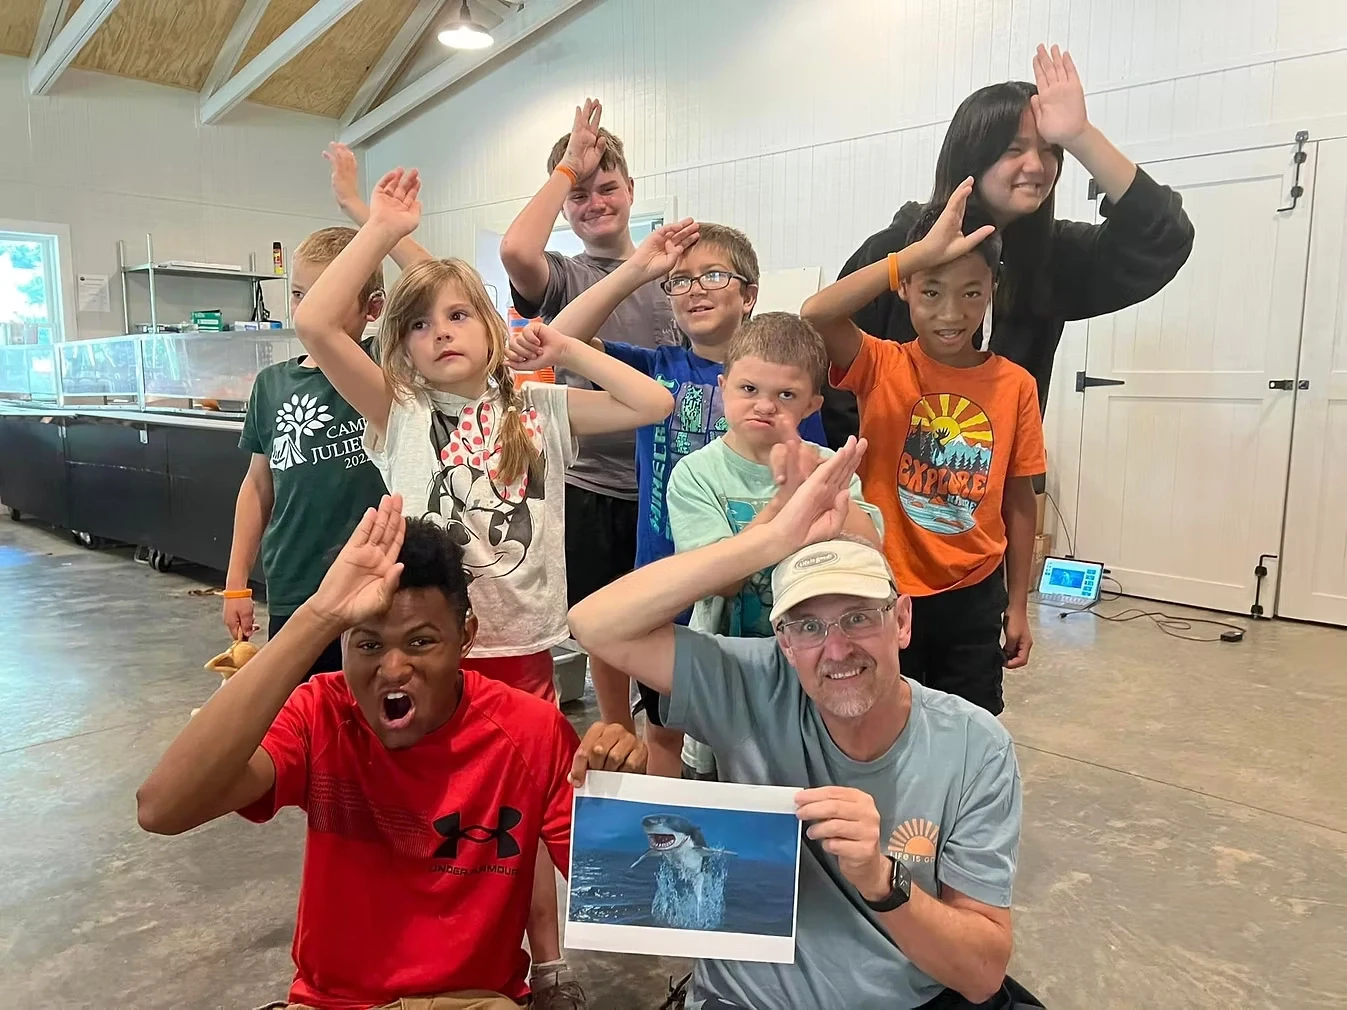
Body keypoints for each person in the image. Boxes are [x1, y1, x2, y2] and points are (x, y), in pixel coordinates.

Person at [292, 167, 673, 1009]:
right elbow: (317, 320)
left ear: (493, 332)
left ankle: (545, 965)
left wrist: (566, 350)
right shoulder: (392, 406)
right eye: (420, 324)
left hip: (518, 649)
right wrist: (381, 228)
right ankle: (438, 952)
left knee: (527, 821)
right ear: (401, 346)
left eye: (459, 314)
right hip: (420, 655)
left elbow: (651, 403)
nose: (441, 333)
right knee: (438, 818)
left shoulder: (536, 412)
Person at [138, 495, 648, 1010]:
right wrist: (316, 615)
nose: (393, 667)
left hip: (473, 1001)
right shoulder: (320, 715)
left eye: (422, 642)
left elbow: (640, 899)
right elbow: (162, 808)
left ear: (465, 638)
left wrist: (621, 792)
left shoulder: (530, 732)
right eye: (367, 645)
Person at [568, 441, 1026, 1010]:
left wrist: (884, 881)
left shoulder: (973, 746)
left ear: (901, 621)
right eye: (808, 627)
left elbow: (982, 974)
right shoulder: (753, 683)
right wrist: (770, 540)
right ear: (783, 643)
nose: (835, 649)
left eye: (858, 617)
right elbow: (593, 623)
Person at [511, 221, 826, 775]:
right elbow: (561, 337)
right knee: (663, 734)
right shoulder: (658, 367)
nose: (695, 289)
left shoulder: (787, 387)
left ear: (749, 294)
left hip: (751, 598)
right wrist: (640, 270)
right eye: (679, 281)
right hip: (664, 582)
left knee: (745, 742)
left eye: (712, 275)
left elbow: (810, 486)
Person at [824, 44, 1194, 447]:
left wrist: (1080, 136)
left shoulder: (1054, 256)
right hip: (887, 495)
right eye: (1014, 149)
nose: (1036, 166)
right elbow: (832, 366)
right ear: (973, 156)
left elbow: (1164, 239)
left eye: (1051, 150)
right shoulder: (901, 248)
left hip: (992, 496)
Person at [802, 181, 1045, 716]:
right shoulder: (883, 365)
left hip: (975, 592)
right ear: (905, 289)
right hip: (889, 588)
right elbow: (816, 314)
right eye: (931, 291)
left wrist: (1020, 604)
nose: (951, 313)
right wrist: (908, 258)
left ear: (993, 290)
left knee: (969, 726)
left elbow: (1020, 501)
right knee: (889, 716)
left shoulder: (1016, 386)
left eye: (971, 292)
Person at [665, 314, 882, 777]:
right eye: (749, 390)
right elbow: (716, 581)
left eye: (786, 395)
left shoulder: (827, 465)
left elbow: (874, 554)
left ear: (812, 405)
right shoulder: (695, 475)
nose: (765, 406)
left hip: (819, 676)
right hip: (730, 677)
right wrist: (785, 502)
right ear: (722, 387)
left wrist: (826, 488)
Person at [500, 98, 680, 645]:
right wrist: (566, 170)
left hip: (669, 482)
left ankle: (660, 733)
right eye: (579, 196)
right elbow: (514, 249)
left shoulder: (674, 271)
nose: (594, 204)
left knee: (666, 634)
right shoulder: (563, 277)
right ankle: (611, 726)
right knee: (598, 632)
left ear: (631, 188)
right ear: (562, 207)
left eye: (607, 189)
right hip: (591, 485)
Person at [222, 226, 389, 674]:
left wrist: (377, 223)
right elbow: (258, 486)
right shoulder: (272, 384)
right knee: (305, 719)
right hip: (296, 584)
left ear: (372, 307)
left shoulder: (391, 366)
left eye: (328, 297)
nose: (307, 312)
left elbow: (432, 283)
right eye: (299, 295)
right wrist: (237, 583)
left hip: (377, 583)